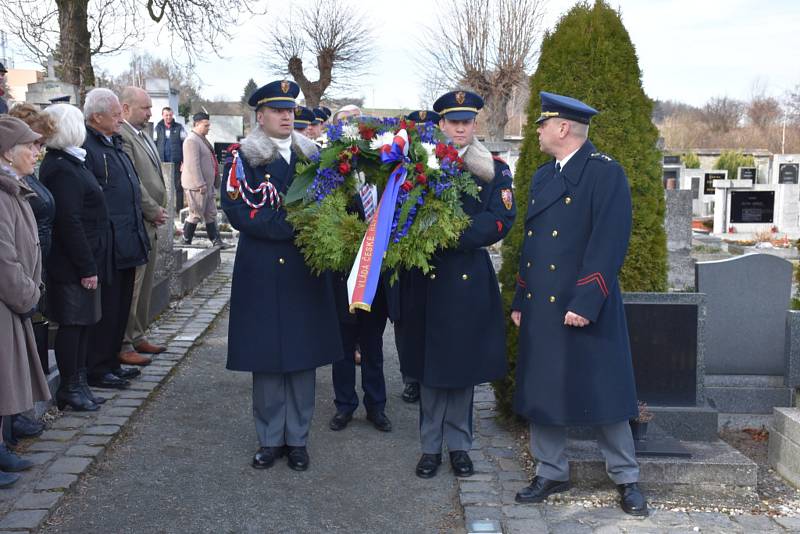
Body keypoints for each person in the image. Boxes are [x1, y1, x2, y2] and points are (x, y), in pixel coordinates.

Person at [510, 91, 647, 516]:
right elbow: (530, 247)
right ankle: (551, 471)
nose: (537, 130)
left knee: (604, 392)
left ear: (563, 128)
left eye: (542, 123)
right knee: (544, 389)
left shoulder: (605, 174)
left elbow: (609, 242)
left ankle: (626, 478)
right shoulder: (542, 176)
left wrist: (586, 299)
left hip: (584, 303)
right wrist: (520, 298)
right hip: (542, 305)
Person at [222, 80, 343, 472]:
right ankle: (270, 439)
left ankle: (299, 439)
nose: (287, 116)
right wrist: (296, 226)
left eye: (290, 109)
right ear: (260, 116)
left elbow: (335, 207)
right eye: (277, 110)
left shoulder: (314, 157)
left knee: (302, 357)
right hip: (262, 270)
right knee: (268, 358)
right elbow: (240, 213)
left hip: (305, 271)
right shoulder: (243, 158)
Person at [396, 90, 516, 479]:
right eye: (453, 122)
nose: (461, 128)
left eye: (467, 121)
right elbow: (399, 211)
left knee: (462, 371)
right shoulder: (419, 163)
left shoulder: (493, 168)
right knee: (429, 369)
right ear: (442, 125)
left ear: (474, 125)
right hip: (426, 278)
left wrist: (449, 232)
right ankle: (430, 447)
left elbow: (500, 219)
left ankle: (460, 446)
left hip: (467, 278)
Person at [40, 103, 112, 411]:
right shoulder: (60, 167)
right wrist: (86, 265)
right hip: (72, 263)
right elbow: (69, 220)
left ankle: (80, 382)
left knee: (84, 323)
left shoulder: (72, 162)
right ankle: (70, 386)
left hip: (86, 257)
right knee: (72, 323)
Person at [82, 88, 150, 389]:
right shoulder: (89, 146)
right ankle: (99, 366)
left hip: (127, 238)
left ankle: (112, 361)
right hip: (109, 241)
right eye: (115, 114)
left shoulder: (114, 142)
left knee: (121, 307)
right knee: (108, 310)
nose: (121, 119)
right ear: (97, 117)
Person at [0, 117, 50, 488]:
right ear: (6, 152)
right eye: (29, 146)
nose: (37, 152)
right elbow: (4, 260)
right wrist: (28, 295)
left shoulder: (13, 189)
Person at [118, 87, 168, 362]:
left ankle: (138, 335)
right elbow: (133, 180)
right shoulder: (123, 136)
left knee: (147, 282)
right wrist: (152, 209)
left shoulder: (143, 135)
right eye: (145, 108)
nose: (151, 113)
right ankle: (124, 342)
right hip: (139, 220)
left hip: (151, 221)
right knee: (134, 286)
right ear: (125, 109)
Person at [181, 112, 229, 248]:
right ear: (197, 124)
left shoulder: (201, 139)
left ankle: (216, 241)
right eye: (206, 125)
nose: (208, 128)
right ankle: (185, 240)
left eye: (209, 125)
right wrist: (200, 183)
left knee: (210, 213)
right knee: (195, 214)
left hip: (206, 185)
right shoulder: (191, 140)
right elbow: (192, 165)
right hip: (197, 186)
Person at [154, 107, 186, 213]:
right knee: (162, 187)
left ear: (173, 115)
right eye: (166, 115)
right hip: (162, 162)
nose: (168, 117)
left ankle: (179, 210)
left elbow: (185, 145)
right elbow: (154, 144)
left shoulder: (179, 127)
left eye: (170, 115)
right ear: (162, 115)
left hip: (176, 162)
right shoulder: (157, 128)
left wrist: (184, 162)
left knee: (178, 187)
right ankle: (164, 209)